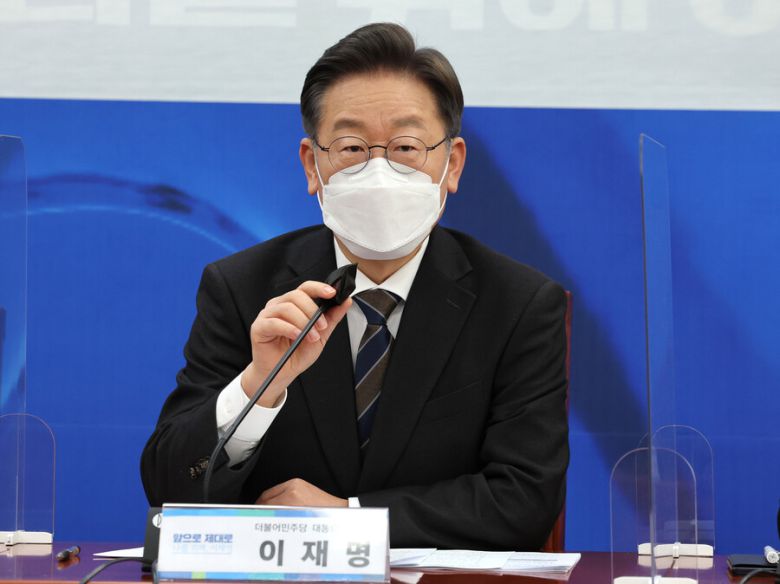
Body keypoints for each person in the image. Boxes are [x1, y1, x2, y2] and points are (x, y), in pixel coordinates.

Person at [141, 22, 568, 551]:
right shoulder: (242, 289)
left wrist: (349, 518)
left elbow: (525, 499)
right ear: (312, 165)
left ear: (452, 164)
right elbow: (170, 491)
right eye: (351, 147)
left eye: (406, 146)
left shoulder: (519, 305)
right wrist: (257, 387)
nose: (379, 171)